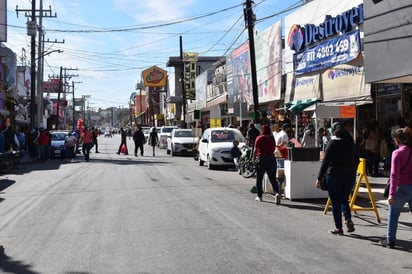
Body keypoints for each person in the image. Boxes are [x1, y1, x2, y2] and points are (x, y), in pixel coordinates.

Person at [316, 122, 359, 235]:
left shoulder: (333, 143)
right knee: (344, 199)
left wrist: (319, 178)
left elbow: (325, 162)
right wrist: (352, 172)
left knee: (335, 202)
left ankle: (339, 228)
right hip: (349, 176)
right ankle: (348, 219)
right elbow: (357, 160)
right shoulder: (351, 143)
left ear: (334, 131)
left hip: (334, 176)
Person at [379, 127, 412, 249]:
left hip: (400, 188)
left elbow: (394, 175)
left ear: (397, 140)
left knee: (393, 216)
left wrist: (391, 194)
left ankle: (390, 241)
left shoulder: (397, 153)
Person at [252, 125, 281, 204]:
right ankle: (277, 193)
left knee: (259, 179)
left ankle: (259, 196)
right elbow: (274, 148)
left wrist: (253, 160)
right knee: (273, 179)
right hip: (271, 159)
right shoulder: (272, 138)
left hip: (262, 159)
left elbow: (255, 151)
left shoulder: (259, 138)